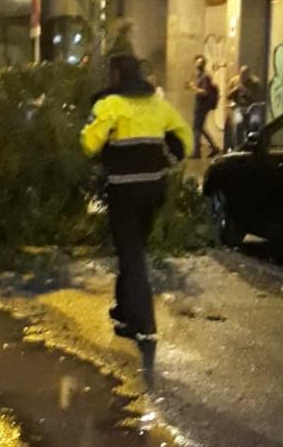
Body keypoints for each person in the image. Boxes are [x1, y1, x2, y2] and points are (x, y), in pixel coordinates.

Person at [82, 54, 192, 364]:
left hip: (123, 192)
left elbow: (88, 144)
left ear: (117, 74)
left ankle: (143, 322)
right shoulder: (158, 105)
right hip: (152, 191)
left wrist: (100, 140)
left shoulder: (110, 106)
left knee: (131, 253)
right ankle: (123, 308)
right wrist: (168, 161)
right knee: (132, 249)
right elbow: (184, 137)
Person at [186, 54, 220, 159]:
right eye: (196, 62)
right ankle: (214, 147)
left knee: (196, 128)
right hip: (200, 105)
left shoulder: (205, 76)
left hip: (202, 106)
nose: (197, 65)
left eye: (199, 63)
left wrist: (193, 88)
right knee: (200, 128)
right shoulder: (200, 76)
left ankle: (196, 152)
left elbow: (204, 92)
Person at [225, 65, 262, 150]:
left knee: (254, 123)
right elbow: (228, 96)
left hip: (252, 106)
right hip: (239, 107)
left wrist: (247, 93)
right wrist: (235, 90)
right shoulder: (234, 81)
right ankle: (238, 146)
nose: (243, 77)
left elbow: (258, 97)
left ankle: (253, 144)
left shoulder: (255, 82)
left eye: (245, 75)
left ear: (249, 74)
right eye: (242, 75)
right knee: (238, 123)